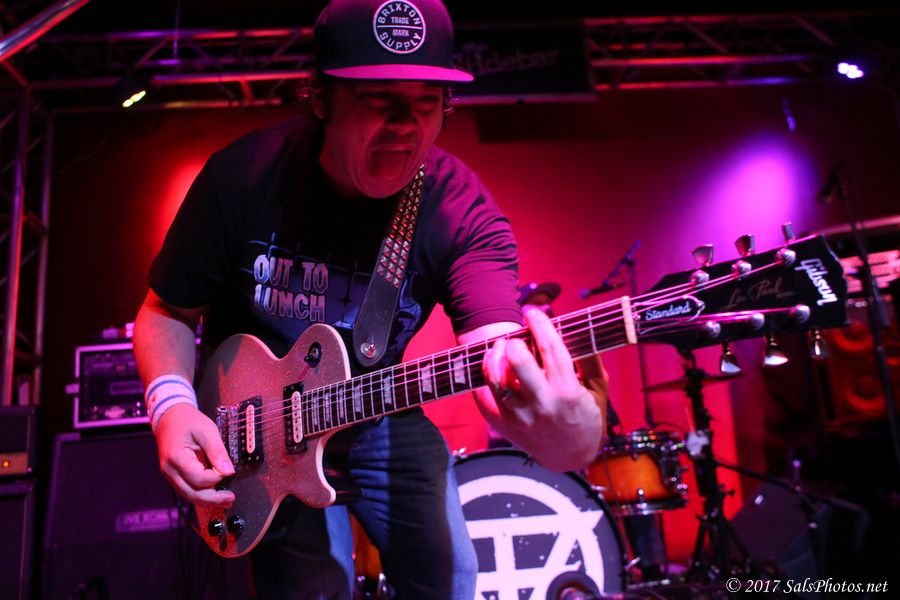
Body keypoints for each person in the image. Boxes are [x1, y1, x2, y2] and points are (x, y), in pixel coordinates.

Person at [133, 1, 607, 598]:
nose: (406, 125)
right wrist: (172, 408)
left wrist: (569, 430)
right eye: (378, 97)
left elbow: (494, 352)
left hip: (379, 404)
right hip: (257, 431)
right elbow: (165, 312)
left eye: (427, 101)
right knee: (312, 586)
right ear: (320, 97)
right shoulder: (242, 178)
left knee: (449, 579)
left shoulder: (458, 210)